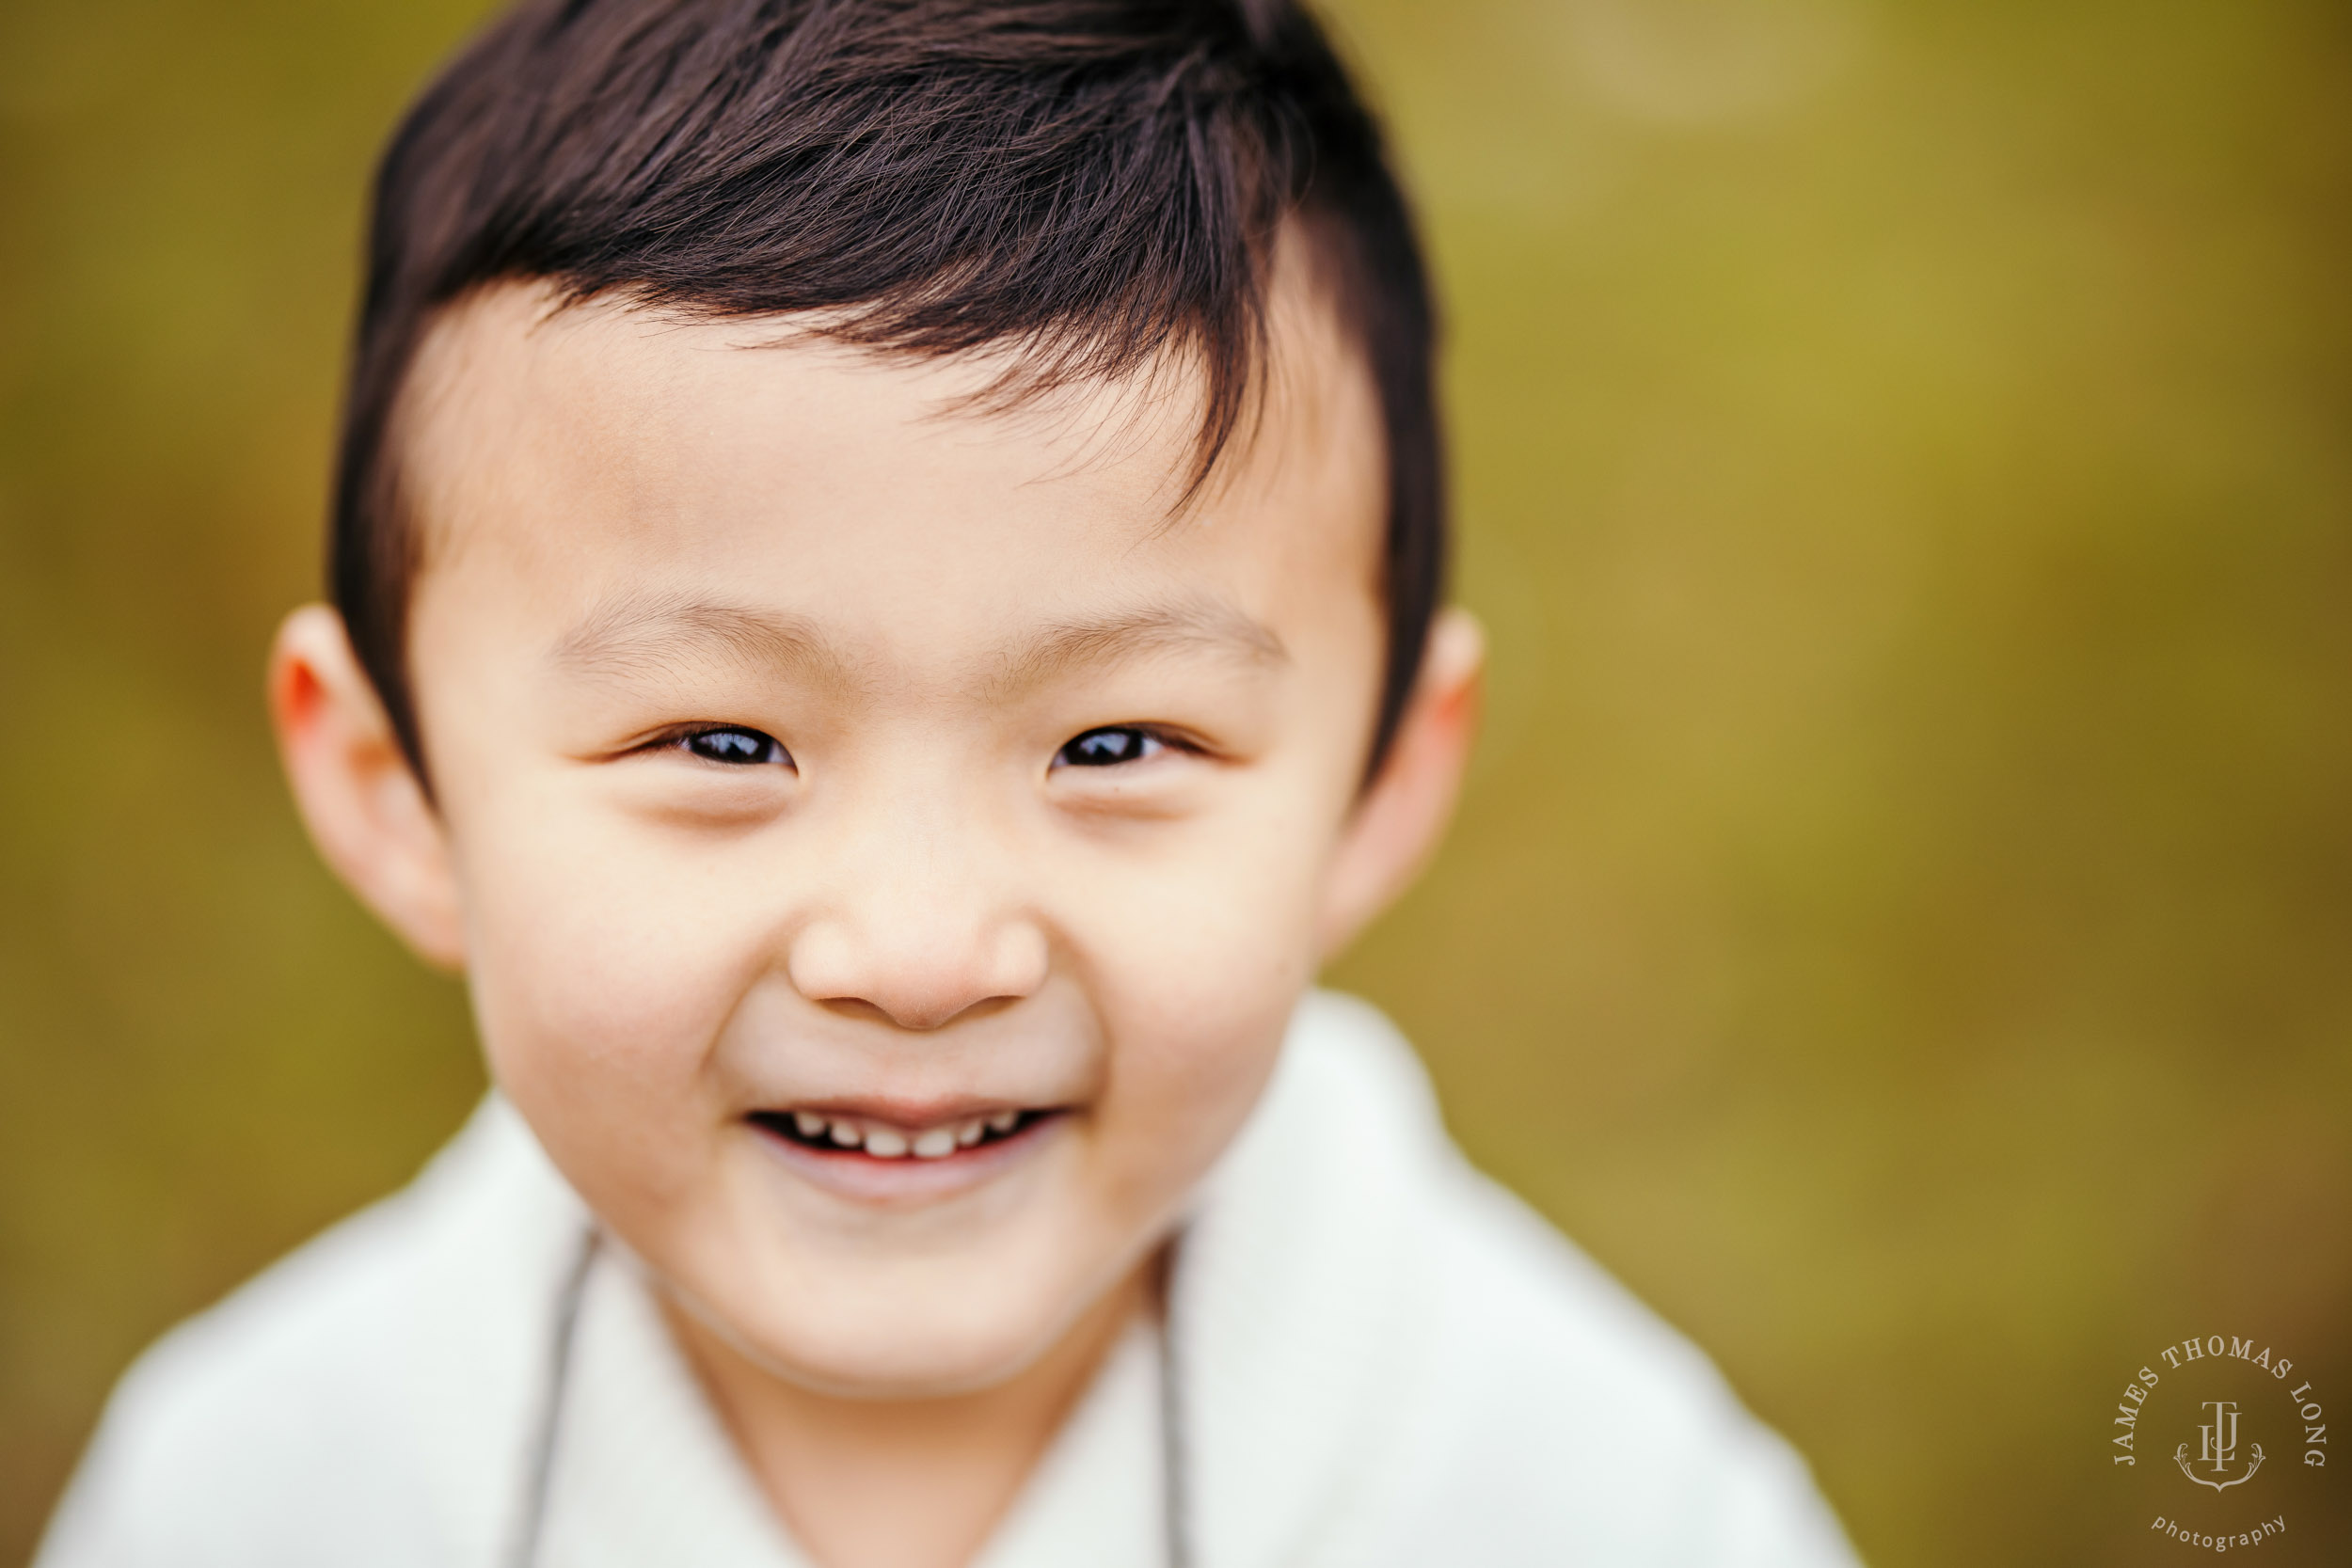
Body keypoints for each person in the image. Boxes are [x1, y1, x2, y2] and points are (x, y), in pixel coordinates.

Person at [37, 2, 1863, 1563]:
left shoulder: (1600, 1505)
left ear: (1377, 785)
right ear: (392, 789)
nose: (919, 953)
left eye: (1116, 746)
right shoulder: (261, 1492)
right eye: (724, 745)